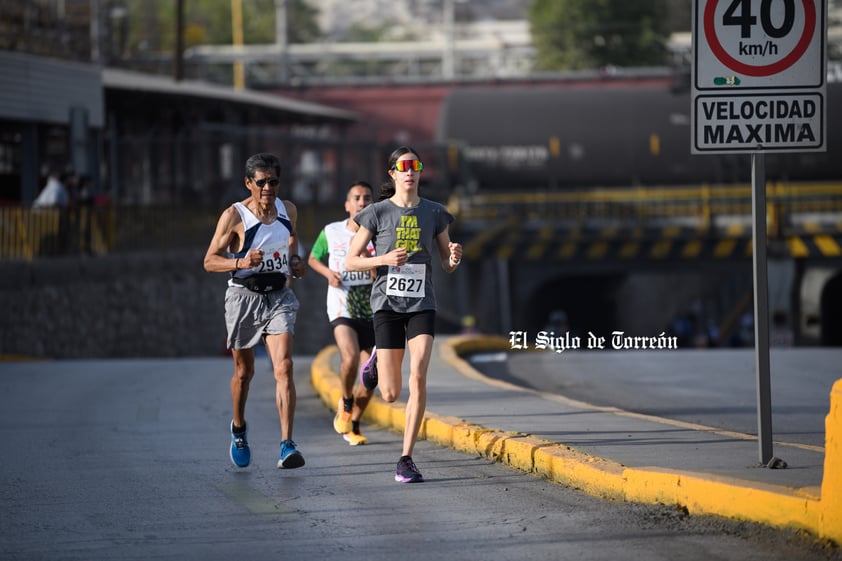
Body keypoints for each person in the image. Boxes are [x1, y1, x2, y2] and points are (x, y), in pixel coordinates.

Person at [345, 146, 462, 483]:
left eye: (416, 165)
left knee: (419, 376)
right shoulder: (377, 212)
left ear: (420, 172)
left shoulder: (436, 212)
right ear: (393, 173)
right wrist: (384, 260)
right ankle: (376, 362)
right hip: (387, 305)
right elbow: (351, 261)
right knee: (391, 393)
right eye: (403, 166)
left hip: (422, 303)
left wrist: (454, 257)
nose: (410, 171)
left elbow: (446, 265)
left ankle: (406, 458)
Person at [203, 152, 307, 470]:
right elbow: (209, 260)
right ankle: (238, 428)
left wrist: (296, 263)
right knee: (244, 373)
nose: (267, 189)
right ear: (248, 183)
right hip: (243, 297)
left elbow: (291, 245)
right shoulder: (234, 216)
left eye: (273, 182)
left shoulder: (288, 210)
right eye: (260, 182)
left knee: (284, 367)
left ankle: (286, 444)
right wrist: (241, 262)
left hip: (278, 296)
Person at [308, 181, 377, 446]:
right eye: (357, 198)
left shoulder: (379, 234)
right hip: (342, 305)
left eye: (367, 198)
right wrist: (328, 273)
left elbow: (383, 271)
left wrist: (374, 267)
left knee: (372, 375)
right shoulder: (331, 232)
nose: (362, 202)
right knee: (349, 358)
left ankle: (354, 422)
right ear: (347, 205)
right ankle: (347, 400)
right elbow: (313, 258)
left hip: (371, 309)